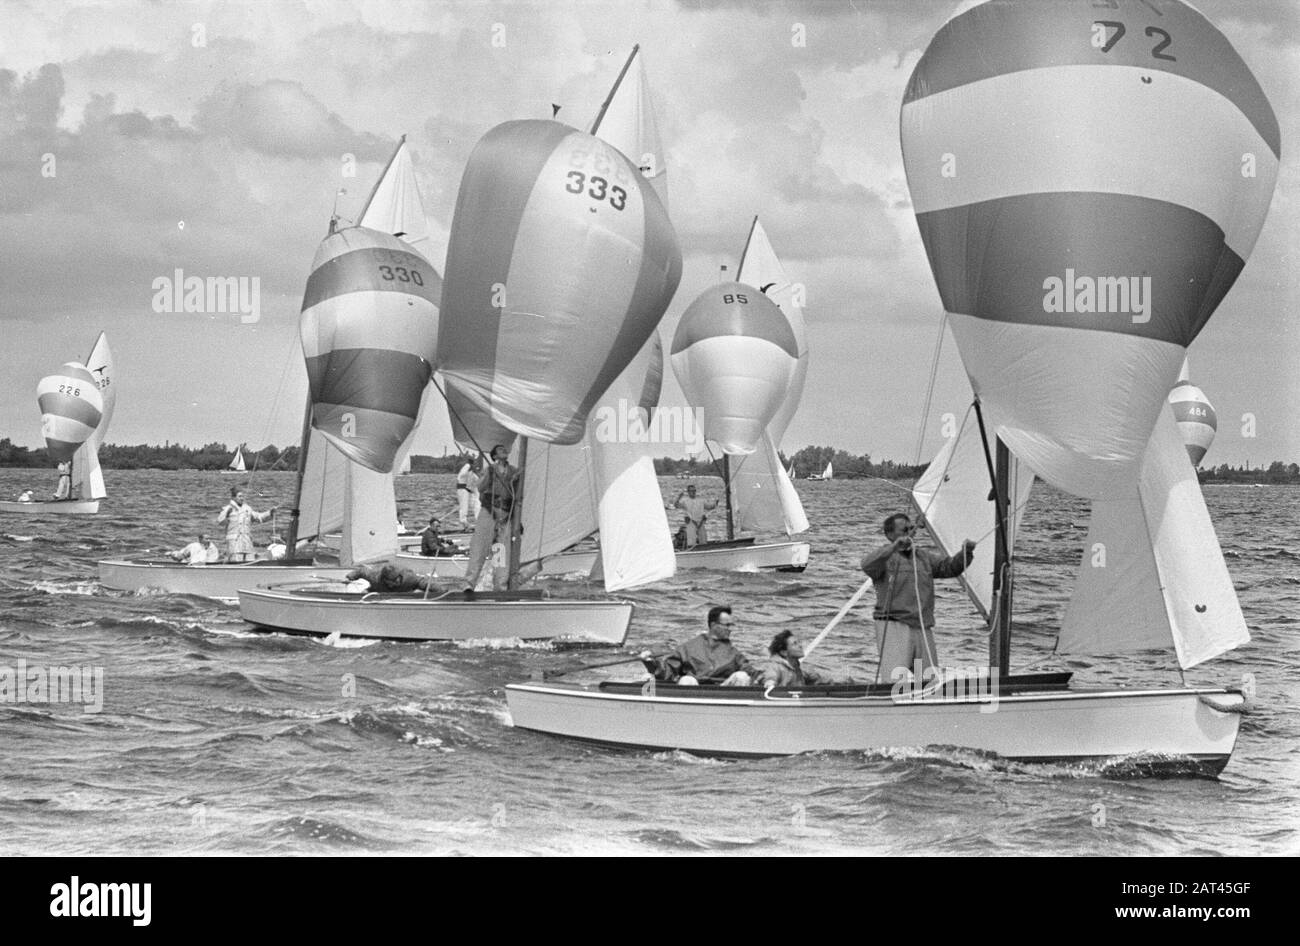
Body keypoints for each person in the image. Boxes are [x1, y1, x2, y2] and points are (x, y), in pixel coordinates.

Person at [861, 512, 975, 683]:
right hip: (894, 625)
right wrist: (894, 547)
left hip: (922, 625)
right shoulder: (884, 558)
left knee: (930, 681)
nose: (907, 534)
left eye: (909, 529)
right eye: (902, 530)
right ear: (890, 535)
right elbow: (867, 564)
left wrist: (966, 552)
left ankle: (928, 706)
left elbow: (948, 568)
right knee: (894, 680)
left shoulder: (923, 557)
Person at [642, 605, 755, 686]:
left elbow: (750, 671)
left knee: (742, 676)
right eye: (727, 625)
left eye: (731, 625)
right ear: (714, 625)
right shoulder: (688, 648)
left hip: (722, 692)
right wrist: (651, 662)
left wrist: (769, 679)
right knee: (686, 680)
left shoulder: (734, 653)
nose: (730, 629)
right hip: (695, 692)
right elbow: (668, 672)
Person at [463, 445, 518, 592]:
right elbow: (480, 487)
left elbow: (517, 495)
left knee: (500, 550)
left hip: (505, 514)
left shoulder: (513, 471)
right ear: (494, 455)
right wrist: (488, 476)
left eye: (504, 449)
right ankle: (469, 584)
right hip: (489, 511)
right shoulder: (490, 470)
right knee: (480, 547)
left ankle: (500, 587)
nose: (504, 451)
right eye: (500, 450)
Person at [217, 487, 277, 563]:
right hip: (234, 543)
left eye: (242, 496)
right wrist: (227, 514)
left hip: (247, 542)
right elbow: (220, 521)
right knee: (235, 562)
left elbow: (259, 517)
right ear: (233, 497)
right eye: (239, 496)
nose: (242, 498)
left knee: (250, 561)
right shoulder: (228, 508)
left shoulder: (247, 509)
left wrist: (270, 513)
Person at [757, 629, 834, 688]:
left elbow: (819, 681)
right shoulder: (774, 667)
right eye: (795, 644)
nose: (800, 646)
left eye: (799, 642)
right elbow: (770, 677)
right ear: (784, 652)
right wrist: (770, 682)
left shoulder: (801, 669)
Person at [345, 563, 435, 593]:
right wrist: (350, 577)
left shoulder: (409, 578)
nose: (396, 582)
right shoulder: (375, 577)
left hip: (402, 596)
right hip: (378, 594)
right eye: (392, 581)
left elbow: (424, 583)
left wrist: (441, 591)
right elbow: (361, 571)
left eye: (397, 580)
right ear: (385, 580)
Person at [456, 459, 479, 528]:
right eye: (475, 464)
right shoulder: (467, 467)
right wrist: (469, 467)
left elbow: (477, 479)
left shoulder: (472, 472)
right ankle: (463, 522)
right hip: (462, 489)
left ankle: (478, 520)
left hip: (468, 490)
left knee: (475, 503)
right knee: (464, 506)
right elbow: (461, 475)